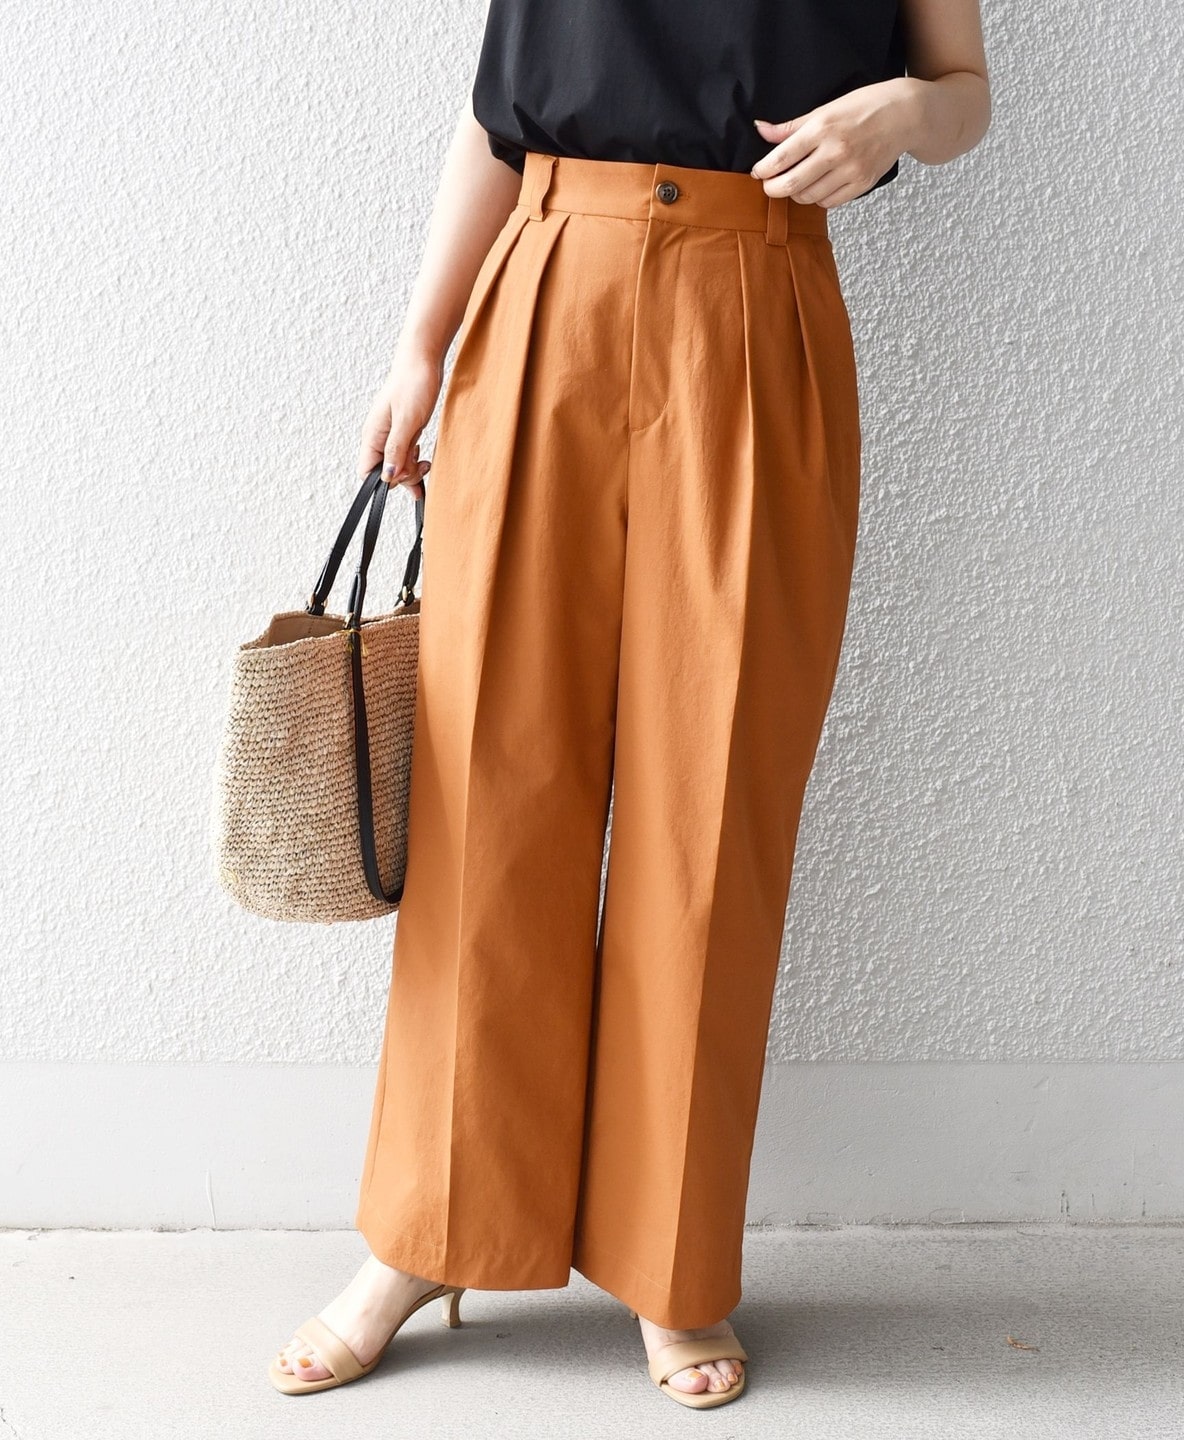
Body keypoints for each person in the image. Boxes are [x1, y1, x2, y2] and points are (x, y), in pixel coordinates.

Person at [269, 0, 991, 1410]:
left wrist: (903, 113)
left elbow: (964, 85)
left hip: (757, 303)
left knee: (708, 817)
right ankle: (424, 1237)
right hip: (545, 292)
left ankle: (675, 1263)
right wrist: (419, 342)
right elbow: (500, 111)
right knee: (488, 792)